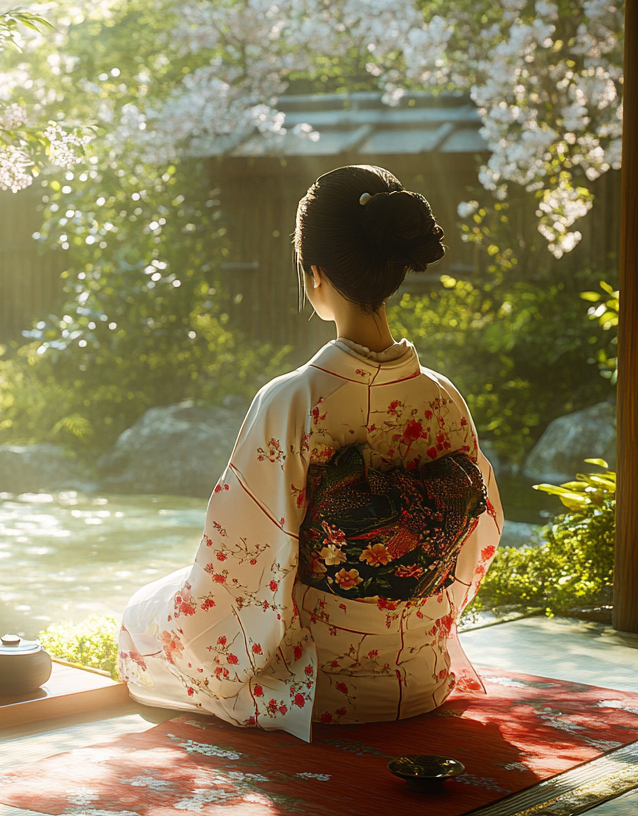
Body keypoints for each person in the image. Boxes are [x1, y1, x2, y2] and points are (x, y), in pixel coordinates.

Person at [116, 165, 504, 742]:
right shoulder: (443, 398)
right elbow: (478, 539)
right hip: (419, 674)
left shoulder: (293, 401)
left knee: (138, 625)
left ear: (314, 273)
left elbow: (242, 563)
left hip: (320, 688)